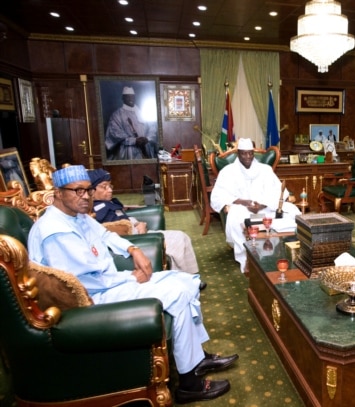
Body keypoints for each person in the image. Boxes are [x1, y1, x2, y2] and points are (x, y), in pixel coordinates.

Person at [27, 165, 238, 403]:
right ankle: (190, 383)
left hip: (108, 285)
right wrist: (131, 278)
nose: (85, 196)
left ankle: (196, 359)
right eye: (77, 191)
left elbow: (106, 235)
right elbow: (83, 281)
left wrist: (132, 248)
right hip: (92, 299)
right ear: (58, 192)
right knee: (179, 292)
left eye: (87, 190)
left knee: (187, 281)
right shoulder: (56, 232)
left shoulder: (75, 216)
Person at [88, 168, 201, 279]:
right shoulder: (97, 209)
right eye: (104, 187)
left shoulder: (108, 202)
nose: (110, 190)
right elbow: (113, 229)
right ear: (91, 191)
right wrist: (136, 227)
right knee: (178, 241)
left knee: (182, 236)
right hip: (136, 240)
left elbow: (122, 217)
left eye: (110, 186)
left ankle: (192, 276)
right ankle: (184, 279)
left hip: (140, 232)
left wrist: (138, 223)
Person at [210, 138, 301, 273]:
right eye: (244, 154)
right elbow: (217, 196)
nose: (248, 157)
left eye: (250, 153)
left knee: (292, 211)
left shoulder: (265, 169)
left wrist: (262, 205)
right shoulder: (228, 171)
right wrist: (243, 202)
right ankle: (246, 258)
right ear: (238, 154)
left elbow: (279, 192)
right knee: (236, 216)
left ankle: (284, 251)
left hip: (266, 207)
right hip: (242, 208)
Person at [105, 86, 158, 160]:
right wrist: (134, 140)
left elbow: (152, 127)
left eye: (132, 97)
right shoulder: (117, 114)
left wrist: (147, 138)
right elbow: (115, 133)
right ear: (123, 98)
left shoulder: (142, 112)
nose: (131, 99)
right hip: (128, 151)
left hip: (145, 148)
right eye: (128, 97)